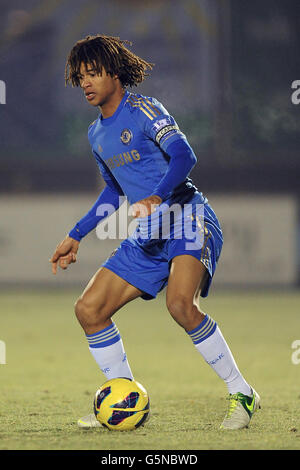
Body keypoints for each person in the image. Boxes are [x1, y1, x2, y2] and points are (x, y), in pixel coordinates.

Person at [50, 35, 260, 430]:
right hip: (148, 234)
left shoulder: (145, 110)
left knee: (181, 305)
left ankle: (242, 392)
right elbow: (114, 190)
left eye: (93, 73)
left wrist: (157, 197)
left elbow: (185, 156)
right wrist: (76, 234)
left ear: (114, 73)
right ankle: (124, 398)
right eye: (80, 77)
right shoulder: (96, 135)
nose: (86, 83)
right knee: (89, 310)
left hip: (186, 217)